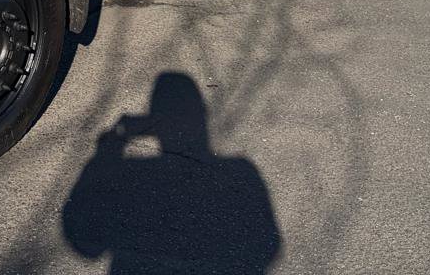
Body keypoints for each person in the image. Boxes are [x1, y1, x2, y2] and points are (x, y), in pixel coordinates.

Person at [63, 72, 282, 274]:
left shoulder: (131, 172)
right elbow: (266, 248)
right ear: (203, 115)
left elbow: (84, 243)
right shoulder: (242, 172)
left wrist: (110, 148)